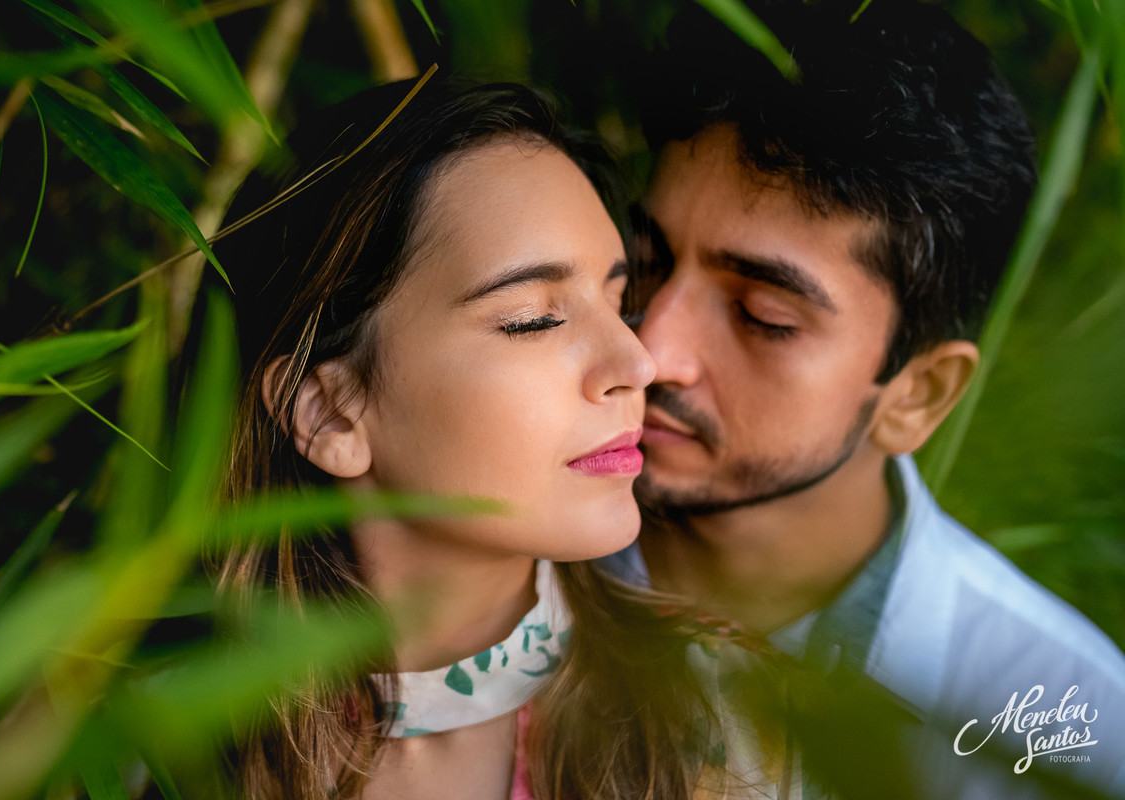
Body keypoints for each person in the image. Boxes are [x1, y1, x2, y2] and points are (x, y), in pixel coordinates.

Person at [605, 1, 1125, 797]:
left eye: (762, 317)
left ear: (919, 394)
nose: (650, 349)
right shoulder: (474, 563)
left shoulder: (1064, 723)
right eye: (643, 263)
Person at [213, 77, 709, 800]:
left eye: (618, 301)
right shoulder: (119, 749)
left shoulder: (714, 722)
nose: (639, 364)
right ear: (327, 411)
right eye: (534, 319)